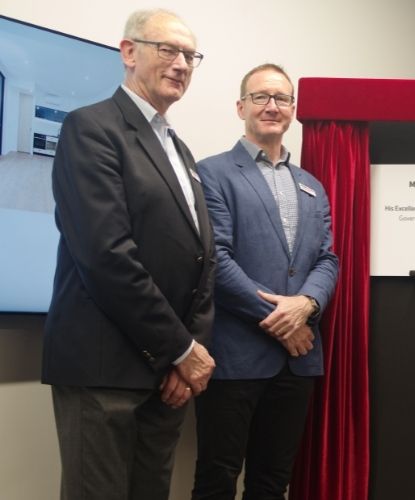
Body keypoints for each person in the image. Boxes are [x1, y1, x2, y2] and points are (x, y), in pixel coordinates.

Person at [41, 9, 215, 500]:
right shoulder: (90, 128)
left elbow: (205, 259)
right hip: (104, 368)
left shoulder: (179, 150)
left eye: (190, 55)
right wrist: (182, 349)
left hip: (168, 374)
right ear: (129, 51)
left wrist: (189, 354)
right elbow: (106, 255)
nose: (181, 63)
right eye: (168, 49)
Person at [191, 63, 339, 499]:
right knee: (217, 478)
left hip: (298, 363)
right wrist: (283, 321)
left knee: (273, 482)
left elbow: (327, 260)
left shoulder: (312, 185)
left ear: (293, 109)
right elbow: (215, 259)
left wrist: (307, 306)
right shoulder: (211, 173)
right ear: (241, 107)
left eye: (282, 99)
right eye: (261, 97)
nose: (272, 106)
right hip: (235, 357)